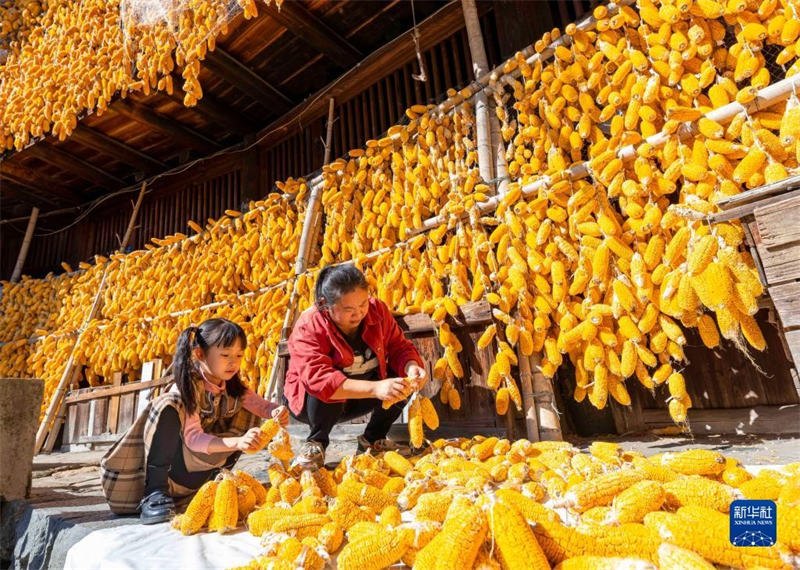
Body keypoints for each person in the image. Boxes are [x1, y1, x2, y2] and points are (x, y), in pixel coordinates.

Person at [100, 318, 289, 524]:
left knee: (249, 409)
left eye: (239, 355)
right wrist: (238, 441)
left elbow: (260, 405)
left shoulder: (231, 387)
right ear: (200, 354)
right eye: (225, 355)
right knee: (168, 404)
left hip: (199, 471)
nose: (233, 362)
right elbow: (193, 439)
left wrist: (275, 411)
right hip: (175, 468)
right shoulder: (186, 387)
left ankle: (209, 485)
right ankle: (155, 493)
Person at [284, 264, 427, 469]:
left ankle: (373, 440)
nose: (358, 313)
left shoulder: (377, 310)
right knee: (329, 380)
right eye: (348, 309)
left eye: (362, 304)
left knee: (402, 379)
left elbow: (398, 346)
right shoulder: (310, 324)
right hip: (312, 404)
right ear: (325, 304)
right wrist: (376, 388)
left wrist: (412, 367)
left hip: (359, 396)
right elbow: (318, 379)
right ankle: (316, 443)